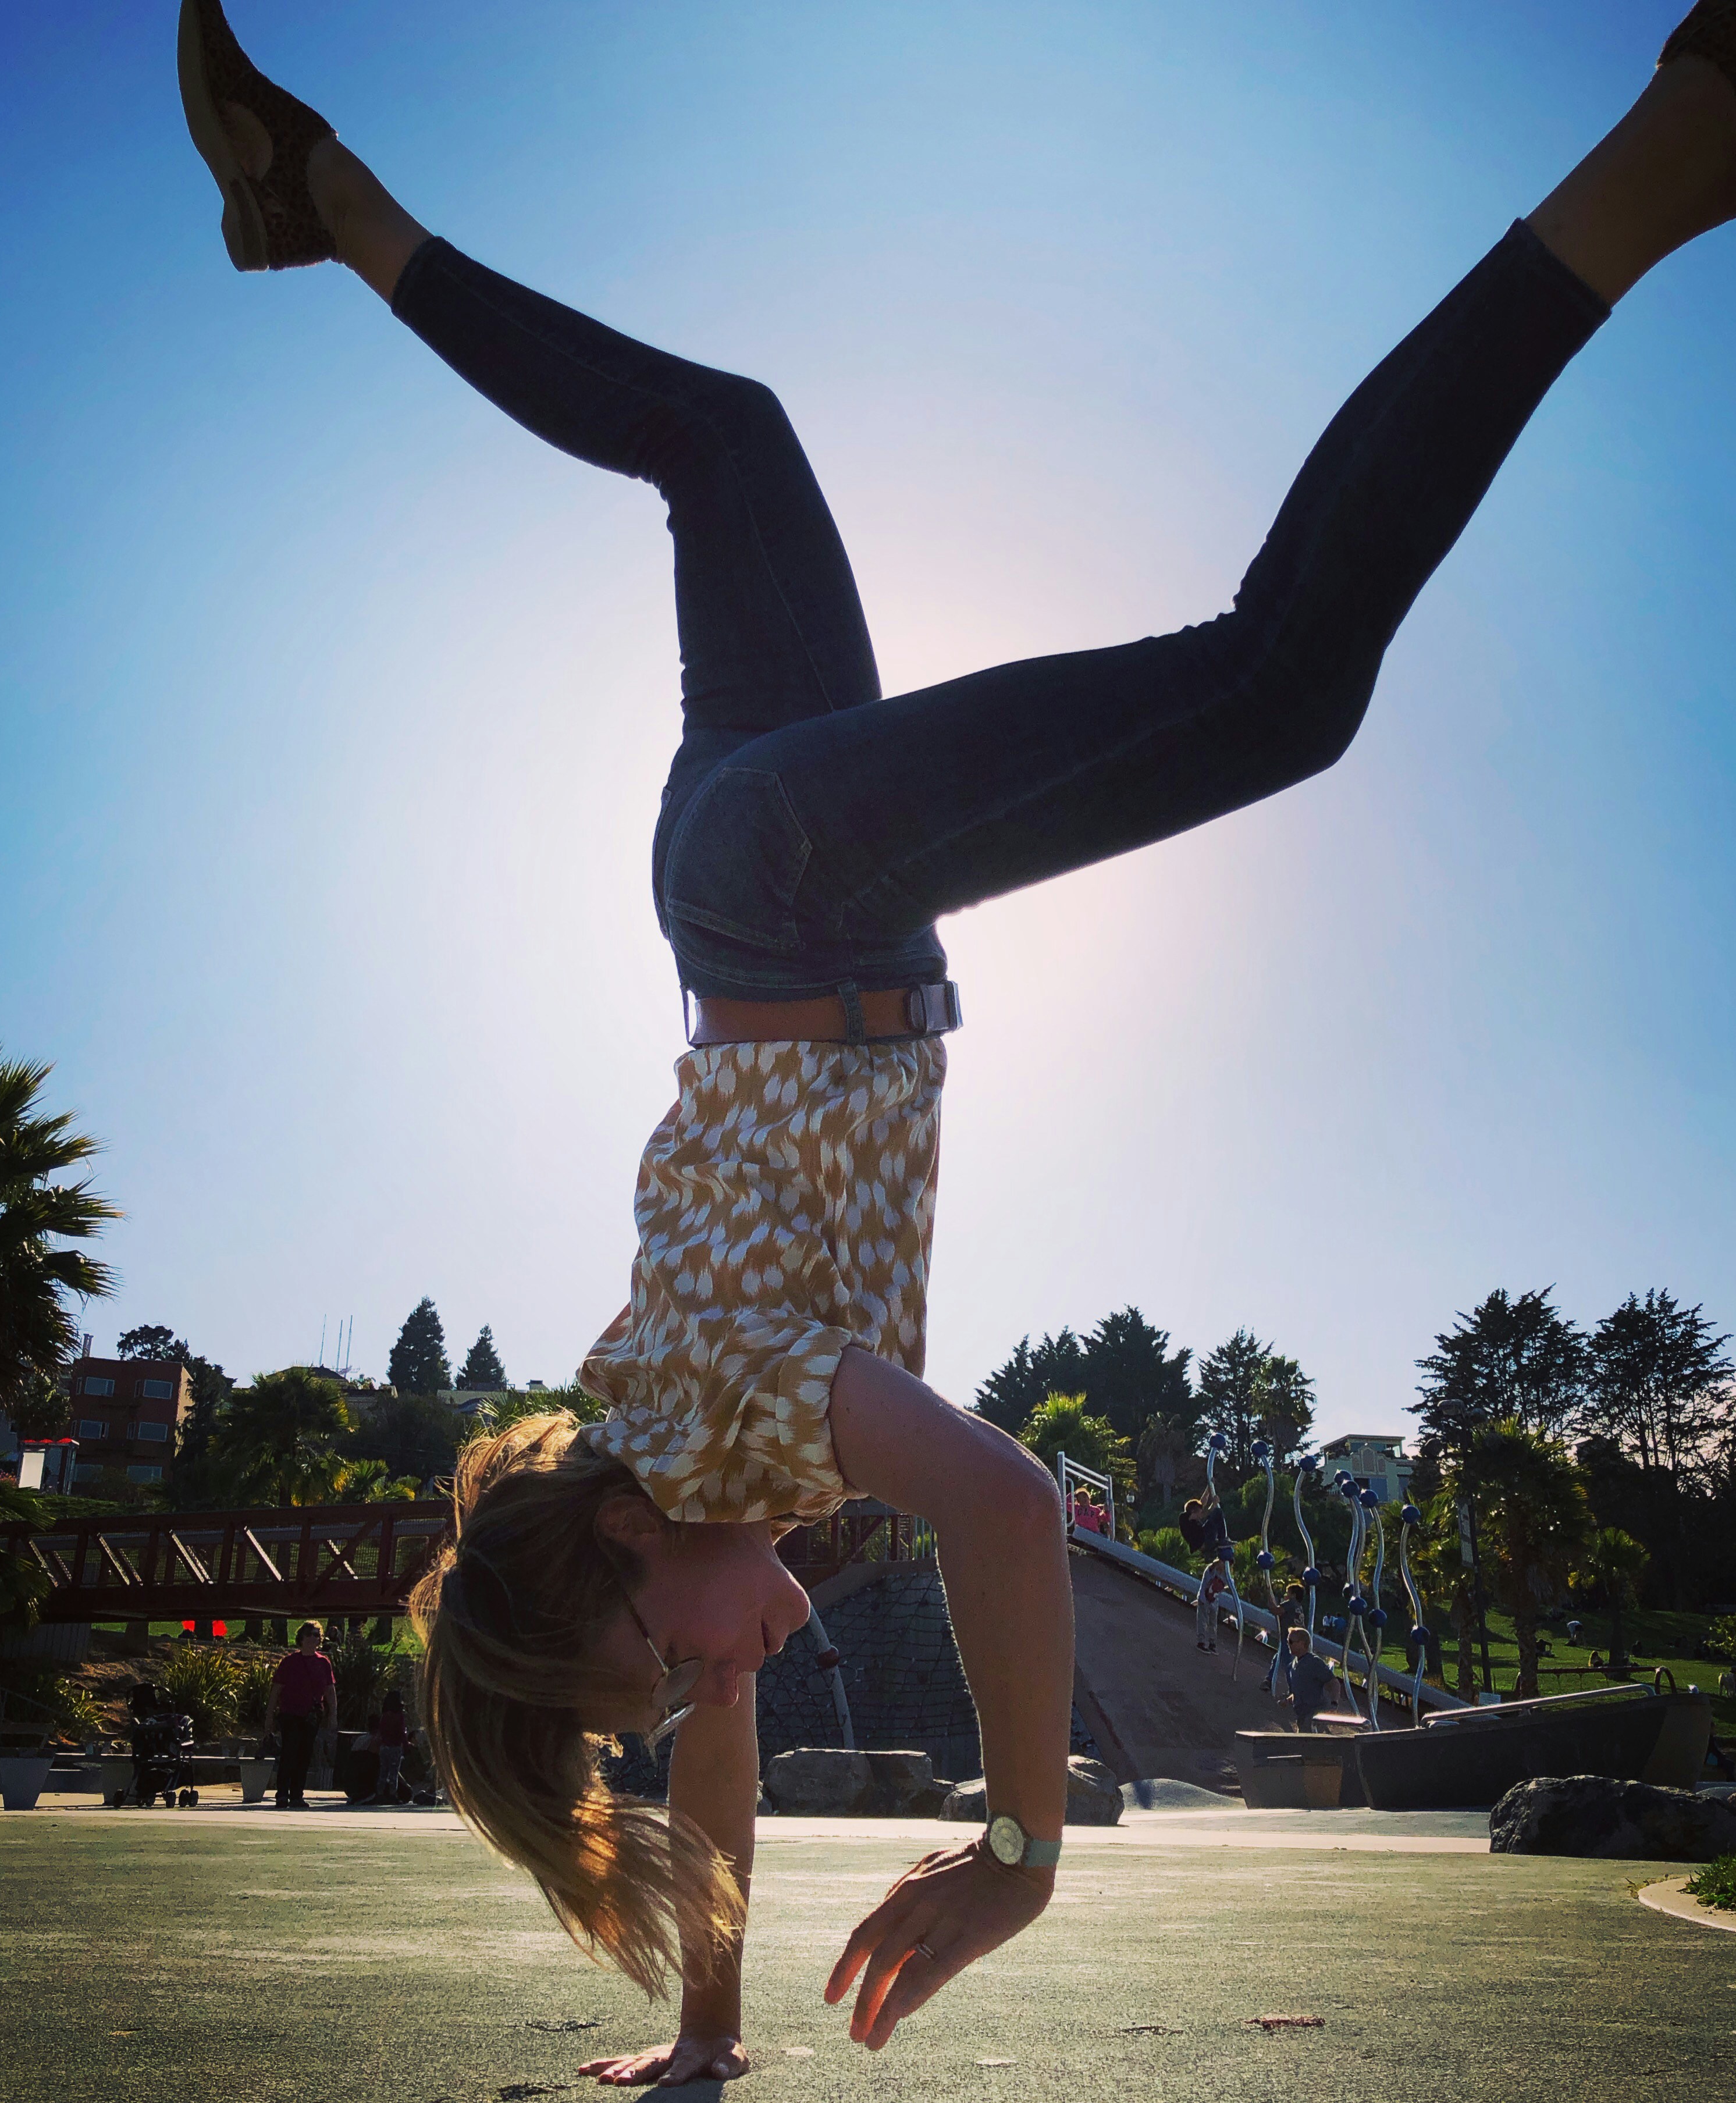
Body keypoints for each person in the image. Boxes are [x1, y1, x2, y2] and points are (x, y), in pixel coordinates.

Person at [173, 0, 1736, 2078]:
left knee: (1275, 685)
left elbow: (1005, 1506)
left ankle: (1676, 147)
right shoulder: (687, 1480)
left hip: (796, 897)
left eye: (665, 1663)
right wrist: (709, 2036)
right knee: (724, 439)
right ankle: (331, 206)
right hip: (761, 885)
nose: (715, 1682)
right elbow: (714, 1761)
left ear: (623, 1545)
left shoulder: (721, 1419)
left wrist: (1017, 1845)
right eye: (678, 1695)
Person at [265, 1620, 337, 1810]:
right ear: (302, 1638)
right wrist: (269, 1717)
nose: (314, 1639)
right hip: (290, 1714)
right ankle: (282, 1794)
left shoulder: (324, 1663)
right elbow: (276, 1691)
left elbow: (330, 1692)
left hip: (311, 1715)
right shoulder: (289, 1662)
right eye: (310, 1635)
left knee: (304, 1756)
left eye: (317, 1635)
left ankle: (297, 1795)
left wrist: (333, 1716)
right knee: (289, 1753)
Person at [1284, 1628, 1337, 1734]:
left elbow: (1334, 1683)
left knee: (1310, 1742)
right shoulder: (1293, 1665)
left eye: (1291, 1642)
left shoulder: (1314, 1662)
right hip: (1302, 1717)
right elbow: (1300, 1692)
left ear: (1302, 1644)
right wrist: (1287, 1701)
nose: (1288, 1644)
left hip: (1314, 1717)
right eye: (1287, 1641)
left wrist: (1334, 1703)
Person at [1264, 1584, 1307, 1698]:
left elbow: (1276, 1610)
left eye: (1287, 1593)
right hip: (1298, 1638)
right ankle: (1269, 1680)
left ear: (1293, 1595)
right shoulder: (1299, 1607)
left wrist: (1269, 1596)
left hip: (1291, 1638)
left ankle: (1294, 1691)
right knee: (1278, 1658)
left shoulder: (1291, 1604)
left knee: (1289, 1664)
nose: (1285, 1596)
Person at [375, 1689, 411, 1804]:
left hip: (384, 1747)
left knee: (383, 1771)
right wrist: (406, 1746)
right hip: (395, 1747)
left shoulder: (385, 1716)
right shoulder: (399, 1717)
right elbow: (402, 1733)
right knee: (394, 1773)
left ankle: (380, 1794)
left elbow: (381, 1731)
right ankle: (392, 1795)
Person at [1196, 1557, 1230, 1654]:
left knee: (1213, 1623)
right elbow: (1212, 1568)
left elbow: (1223, 1587)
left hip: (1214, 1600)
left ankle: (1212, 1644)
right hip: (1204, 1597)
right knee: (1203, 1620)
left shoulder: (1225, 1575)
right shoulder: (1211, 1569)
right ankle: (1201, 1642)